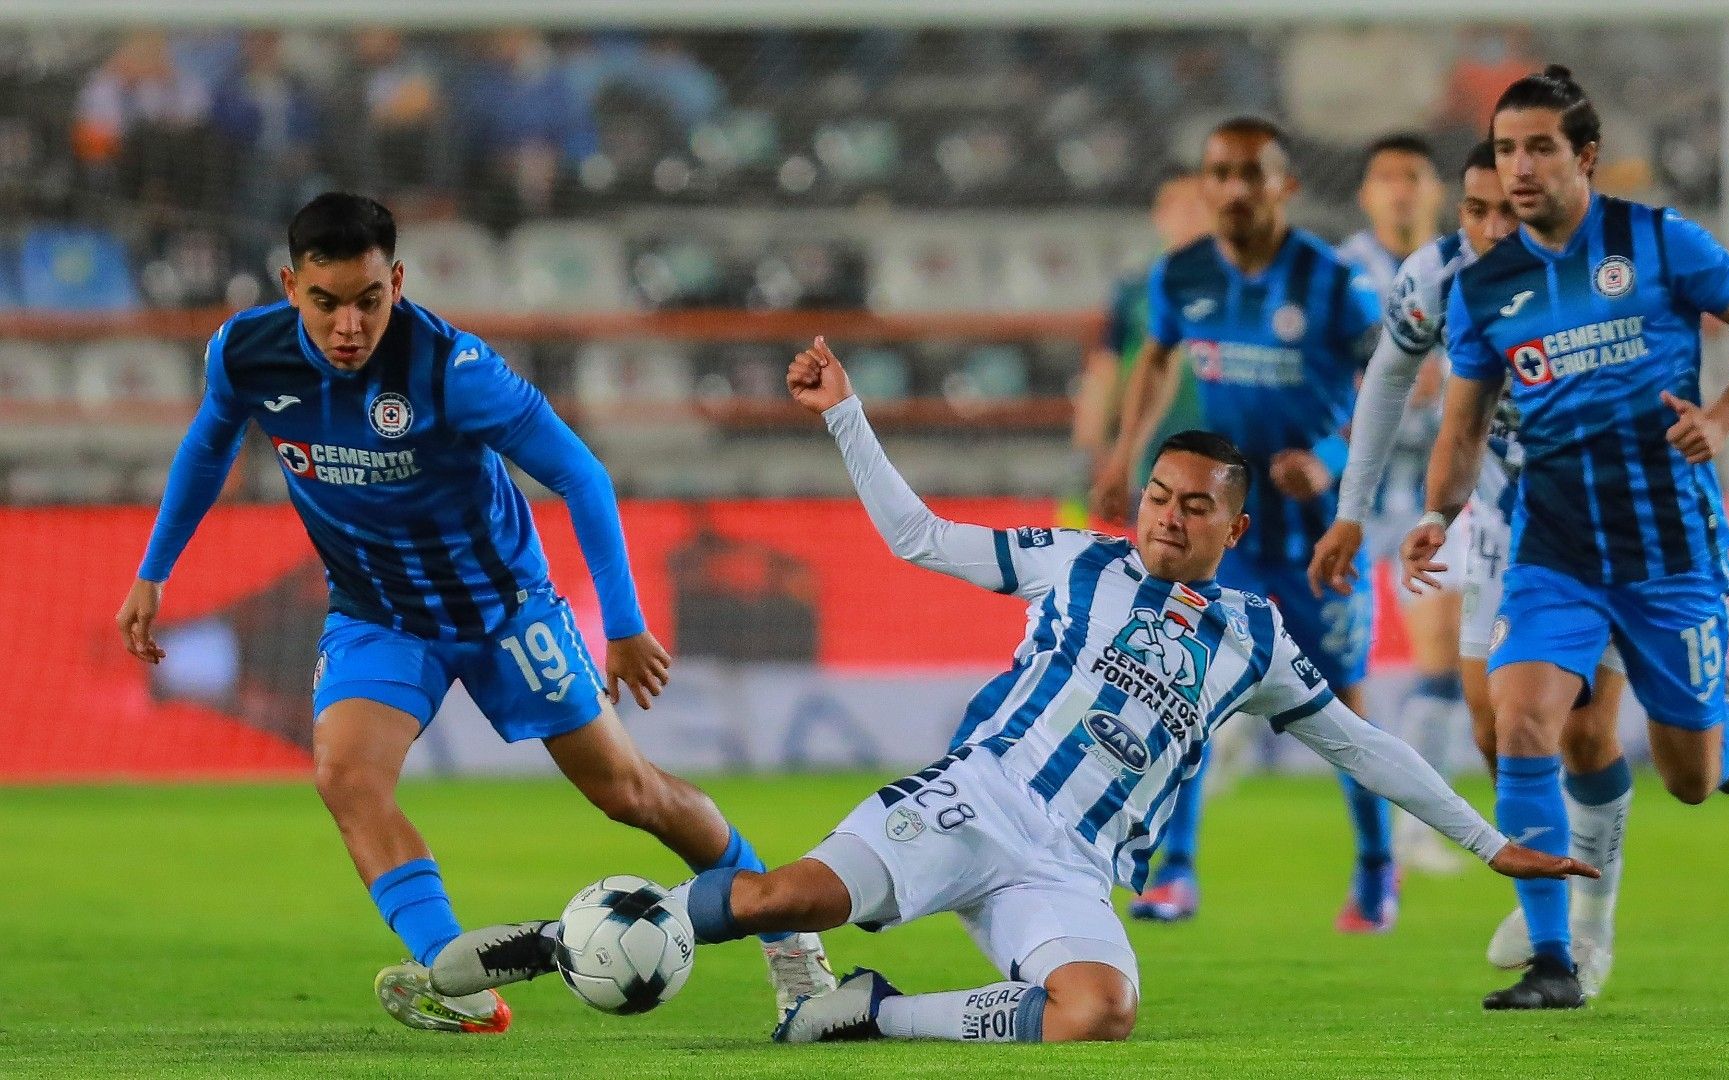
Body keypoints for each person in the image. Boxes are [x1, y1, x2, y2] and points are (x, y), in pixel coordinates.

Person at [430, 337, 1596, 1045]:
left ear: (1236, 527)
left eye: (1196, 506)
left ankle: (871, 1013)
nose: (1168, 516)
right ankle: (553, 939)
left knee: (1100, 1013)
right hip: (973, 802)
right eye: (1157, 496)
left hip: (1071, 870)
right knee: (787, 900)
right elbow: (916, 537)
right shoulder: (1073, 559)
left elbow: (1364, 746)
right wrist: (844, 410)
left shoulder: (1254, 635)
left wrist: (1489, 843)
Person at [114, 193, 832, 1034]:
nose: (349, 324)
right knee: (346, 778)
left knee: (630, 792)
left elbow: (582, 476)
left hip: (504, 614)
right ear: (290, 284)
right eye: (326, 301)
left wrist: (626, 623)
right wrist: (153, 571)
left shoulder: (452, 369)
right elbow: (208, 445)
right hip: (377, 615)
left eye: (370, 300)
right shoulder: (246, 352)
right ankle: (459, 981)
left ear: (399, 282)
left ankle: (788, 940)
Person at [1405, 67, 1729, 1009]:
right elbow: (1462, 430)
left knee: (1693, 779)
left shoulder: (1659, 242)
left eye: (1540, 147)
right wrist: (1436, 514)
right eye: (1506, 150)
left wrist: (1726, 419)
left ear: (1584, 156)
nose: (1520, 167)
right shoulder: (1485, 288)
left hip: (1671, 550)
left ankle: (1718, 728)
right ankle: (1557, 961)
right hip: (1557, 551)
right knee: (1523, 724)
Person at [1311, 140, 1634, 998]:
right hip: (1492, 523)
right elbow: (1385, 382)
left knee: (1590, 736)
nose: (1492, 228)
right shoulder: (1438, 276)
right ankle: (1551, 923)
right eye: (1474, 210)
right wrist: (1353, 509)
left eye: (1508, 209)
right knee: (1496, 728)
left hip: (1600, 528)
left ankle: (1587, 922)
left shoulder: (1602, 270)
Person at [1089, 117, 1394, 930]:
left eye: (1249, 174)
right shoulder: (1182, 274)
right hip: (1223, 531)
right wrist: (1126, 456)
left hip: (1315, 531)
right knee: (1179, 691)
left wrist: (1330, 453)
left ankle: (1375, 870)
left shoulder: (1331, 282)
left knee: (1341, 711)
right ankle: (1173, 873)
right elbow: (1154, 356)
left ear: (1283, 186)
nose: (1230, 188)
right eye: (1217, 172)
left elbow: (1392, 379)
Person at [1333, 132, 1470, 876]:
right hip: (1349, 493)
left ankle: (1419, 824)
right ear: (1365, 194)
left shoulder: (1466, 265)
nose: (1399, 190)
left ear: (1434, 189)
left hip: (1432, 494)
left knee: (1440, 648)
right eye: (1385, 177)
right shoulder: (1337, 273)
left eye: (1412, 176)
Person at [1064, 169, 1210, 528]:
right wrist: (1091, 446)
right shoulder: (1135, 292)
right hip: (1150, 451)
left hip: (1222, 445)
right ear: (1160, 215)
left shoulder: (1246, 289)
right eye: (1178, 206)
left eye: (1200, 205)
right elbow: (1106, 368)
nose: (1189, 215)